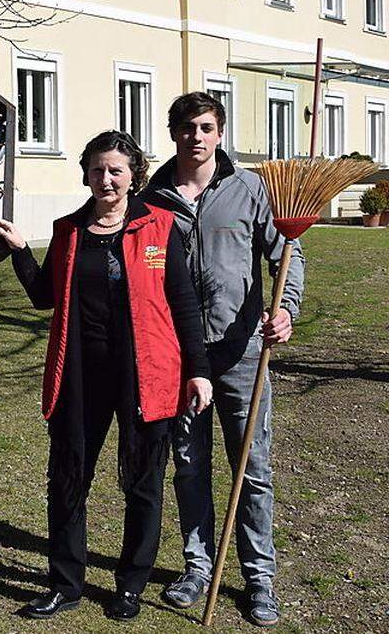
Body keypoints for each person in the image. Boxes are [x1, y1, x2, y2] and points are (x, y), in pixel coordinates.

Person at [0, 130, 212, 621]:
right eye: (97, 170)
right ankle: (65, 583)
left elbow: (184, 303)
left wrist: (198, 370)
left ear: (134, 176)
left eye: (116, 170)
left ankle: (130, 585)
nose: (106, 179)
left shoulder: (160, 227)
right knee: (68, 478)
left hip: (145, 375)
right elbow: (46, 296)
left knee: (143, 481)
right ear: (86, 174)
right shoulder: (68, 230)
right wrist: (21, 250)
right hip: (80, 375)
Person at [141, 92, 304, 627]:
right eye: (188, 127)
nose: (197, 137)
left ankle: (260, 578)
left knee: (252, 468)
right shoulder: (154, 199)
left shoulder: (250, 188)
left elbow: (285, 254)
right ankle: (197, 567)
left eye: (207, 127)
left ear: (220, 132)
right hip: (182, 357)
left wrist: (287, 311)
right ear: (173, 133)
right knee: (188, 466)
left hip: (242, 353)